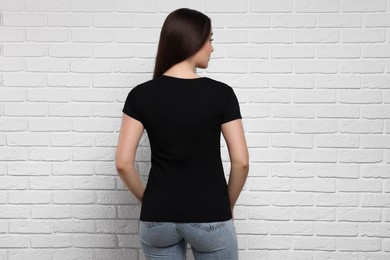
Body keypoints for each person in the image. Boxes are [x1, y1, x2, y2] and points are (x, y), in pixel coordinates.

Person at [115, 8, 249, 260]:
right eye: (210, 39)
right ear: (194, 40)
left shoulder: (140, 95)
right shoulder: (222, 94)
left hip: (157, 218)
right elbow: (241, 162)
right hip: (210, 214)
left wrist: (150, 200)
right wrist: (226, 205)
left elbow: (123, 163)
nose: (212, 48)